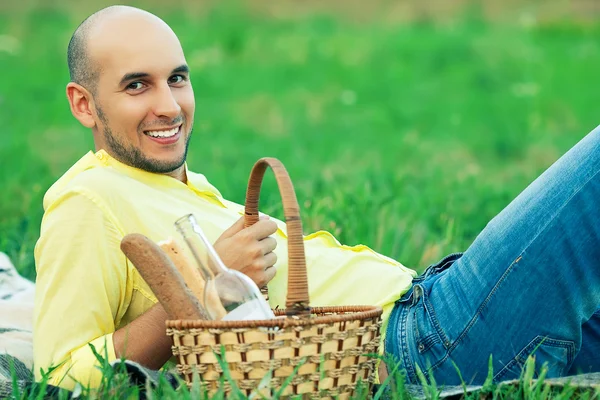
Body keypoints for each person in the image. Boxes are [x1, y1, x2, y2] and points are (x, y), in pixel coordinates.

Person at [33, 5, 600, 392]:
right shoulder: (88, 199)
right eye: (137, 85)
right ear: (84, 104)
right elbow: (59, 378)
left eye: (176, 79)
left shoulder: (173, 184)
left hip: (429, 308)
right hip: (420, 347)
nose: (169, 105)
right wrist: (205, 288)